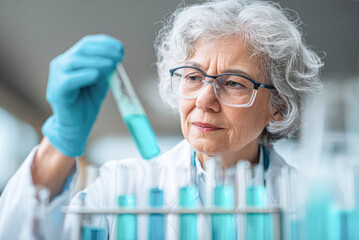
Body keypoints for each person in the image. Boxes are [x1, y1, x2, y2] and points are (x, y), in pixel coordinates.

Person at [0, 0, 323, 239]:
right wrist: (59, 141)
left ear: (277, 105)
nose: (204, 100)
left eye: (234, 83)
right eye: (194, 77)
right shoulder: (121, 188)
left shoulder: (310, 203)